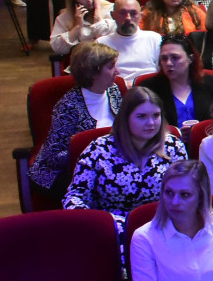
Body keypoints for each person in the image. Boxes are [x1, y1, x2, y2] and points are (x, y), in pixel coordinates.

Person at [63, 86, 188, 223]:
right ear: (125, 118)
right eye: (141, 116)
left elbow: (186, 192)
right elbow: (75, 197)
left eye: (156, 115)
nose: (151, 123)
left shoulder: (173, 146)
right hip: (114, 230)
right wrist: (97, 225)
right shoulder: (99, 150)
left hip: (162, 226)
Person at [29, 41, 122, 197]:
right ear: (93, 72)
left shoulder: (113, 91)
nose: (117, 71)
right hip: (75, 172)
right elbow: (53, 156)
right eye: (111, 67)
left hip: (112, 163)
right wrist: (91, 153)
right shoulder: (68, 106)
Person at [143, 35, 213, 129]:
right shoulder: (149, 88)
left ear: (190, 59)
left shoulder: (211, 83)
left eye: (175, 57)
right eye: (164, 59)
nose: (168, 63)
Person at [97, 0, 163, 85]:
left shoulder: (154, 38)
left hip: (149, 90)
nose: (128, 18)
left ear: (141, 16)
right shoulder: (101, 43)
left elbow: (163, 72)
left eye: (133, 13)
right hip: (117, 93)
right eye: (122, 13)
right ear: (112, 15)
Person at [50, 0, 115, 55]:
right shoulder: (65, 17)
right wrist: (77, 26)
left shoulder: (110, 9)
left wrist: (98, 10)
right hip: (83, 60)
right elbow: (57, 48)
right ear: (74, 2)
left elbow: (103, 33)